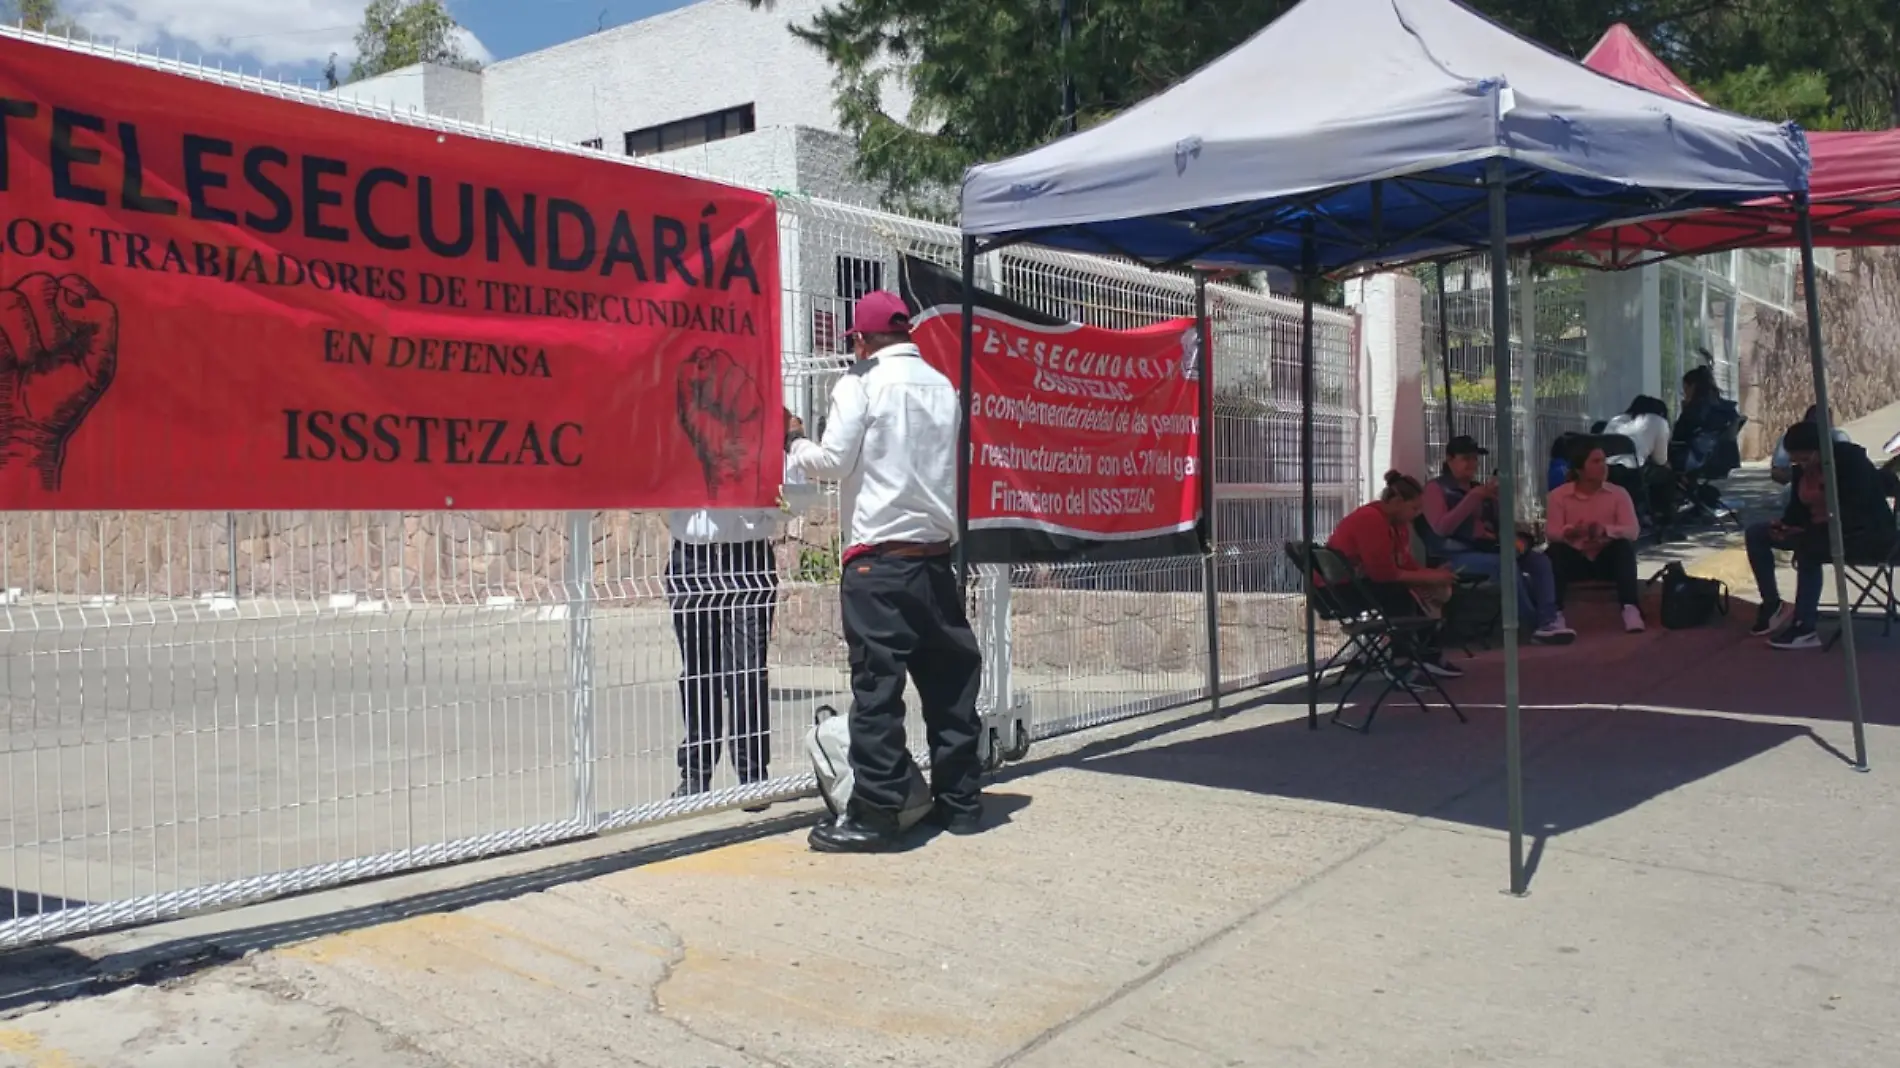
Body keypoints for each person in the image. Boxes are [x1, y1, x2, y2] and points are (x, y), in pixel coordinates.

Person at [785, 290, 983, 853]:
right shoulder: (944, 388)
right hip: (936, 561)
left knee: (877, 690)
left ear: (861, 340)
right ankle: (961, 803)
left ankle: (875, 813)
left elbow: (833, 463)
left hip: (878, 565)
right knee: (951, 687)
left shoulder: (861, 383)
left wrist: (795, 440)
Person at [664, 503, 784, 811]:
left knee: (749, 671)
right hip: (692, 556)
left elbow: (789, 487)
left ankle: (753, 775)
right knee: (698, 671)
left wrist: (764, 516)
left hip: (747, 554)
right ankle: (695, 775)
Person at [1746, 421, 1898, 650]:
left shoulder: (1852, 463)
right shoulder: (1802, 471)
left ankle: (1804, 627)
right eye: (1796, 461)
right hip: (1819, 531)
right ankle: (1772, 605)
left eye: (1806, 459)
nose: (1802, 466)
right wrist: (1786, 525)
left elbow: (1854, 512)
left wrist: (1808, 530)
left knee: (1809, 548)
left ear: (1820, 450)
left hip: (1865, 536)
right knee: (1757, 533)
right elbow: (1798, 510)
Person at [1421, 435, 1573, 644]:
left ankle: (1549, 619)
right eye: (1466, 458)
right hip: (1453, 556)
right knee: (1505, 565)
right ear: (1449, 459)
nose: (1472, 464)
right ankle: (1532, 624)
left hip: (1487, 548)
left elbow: (1499, 525)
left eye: (1475, 459)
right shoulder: (1436, 489)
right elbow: (1442, 528)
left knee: (1539, 561)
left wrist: (1499, 503)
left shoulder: (1478, 487)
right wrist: (1473, 498)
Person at [1326, 471, 1463, 679]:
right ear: (1398, 501)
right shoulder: (1370, 519)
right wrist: (1427, 579)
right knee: (1399, 592)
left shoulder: (1397, 526)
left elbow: (1406, 564)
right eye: (1414, 508)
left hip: (1358, 584)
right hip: (1337, 591)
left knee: (1420, 589)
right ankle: (1402, 660)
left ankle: (1428, 653)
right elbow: (1384, 574)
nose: (1416, 514)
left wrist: (1435, 576)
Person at [1546, 446, 1646, 633]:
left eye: (1603, 461)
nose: (1603, 466)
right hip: (1576, 558)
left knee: (1624, 547)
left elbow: (1632, 531)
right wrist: (1570, 532)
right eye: (1595, 462)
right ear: (1579, 470)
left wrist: (1605, 531)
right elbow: (1551, 532)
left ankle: (1630, 609)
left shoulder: (1619, 494)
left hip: (1606, 560)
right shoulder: (1558, 496)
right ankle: (1555, 614)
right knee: (1554, 552)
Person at [1602, 395, 1677, 529]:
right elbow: (1660, 460)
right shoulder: (1659, 421)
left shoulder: (1616, 420)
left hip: (1606, 470)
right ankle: (1663, 518)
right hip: (1632, 473)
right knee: (1667, 475)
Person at [1672, 365, 1741, 476]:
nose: (1685, 394)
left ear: (1692, 387)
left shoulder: (1695, 410)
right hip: (1723, 459)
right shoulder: (1726, 408)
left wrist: (1685, 411)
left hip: (1699, 459)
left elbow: (1678, 436)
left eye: (1685, 389)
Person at [1770, 405, 1850, 486]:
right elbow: (1777, 471)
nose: (1803, 464)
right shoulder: (1791, 438)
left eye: (1805, 459)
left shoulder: (1838, 437)